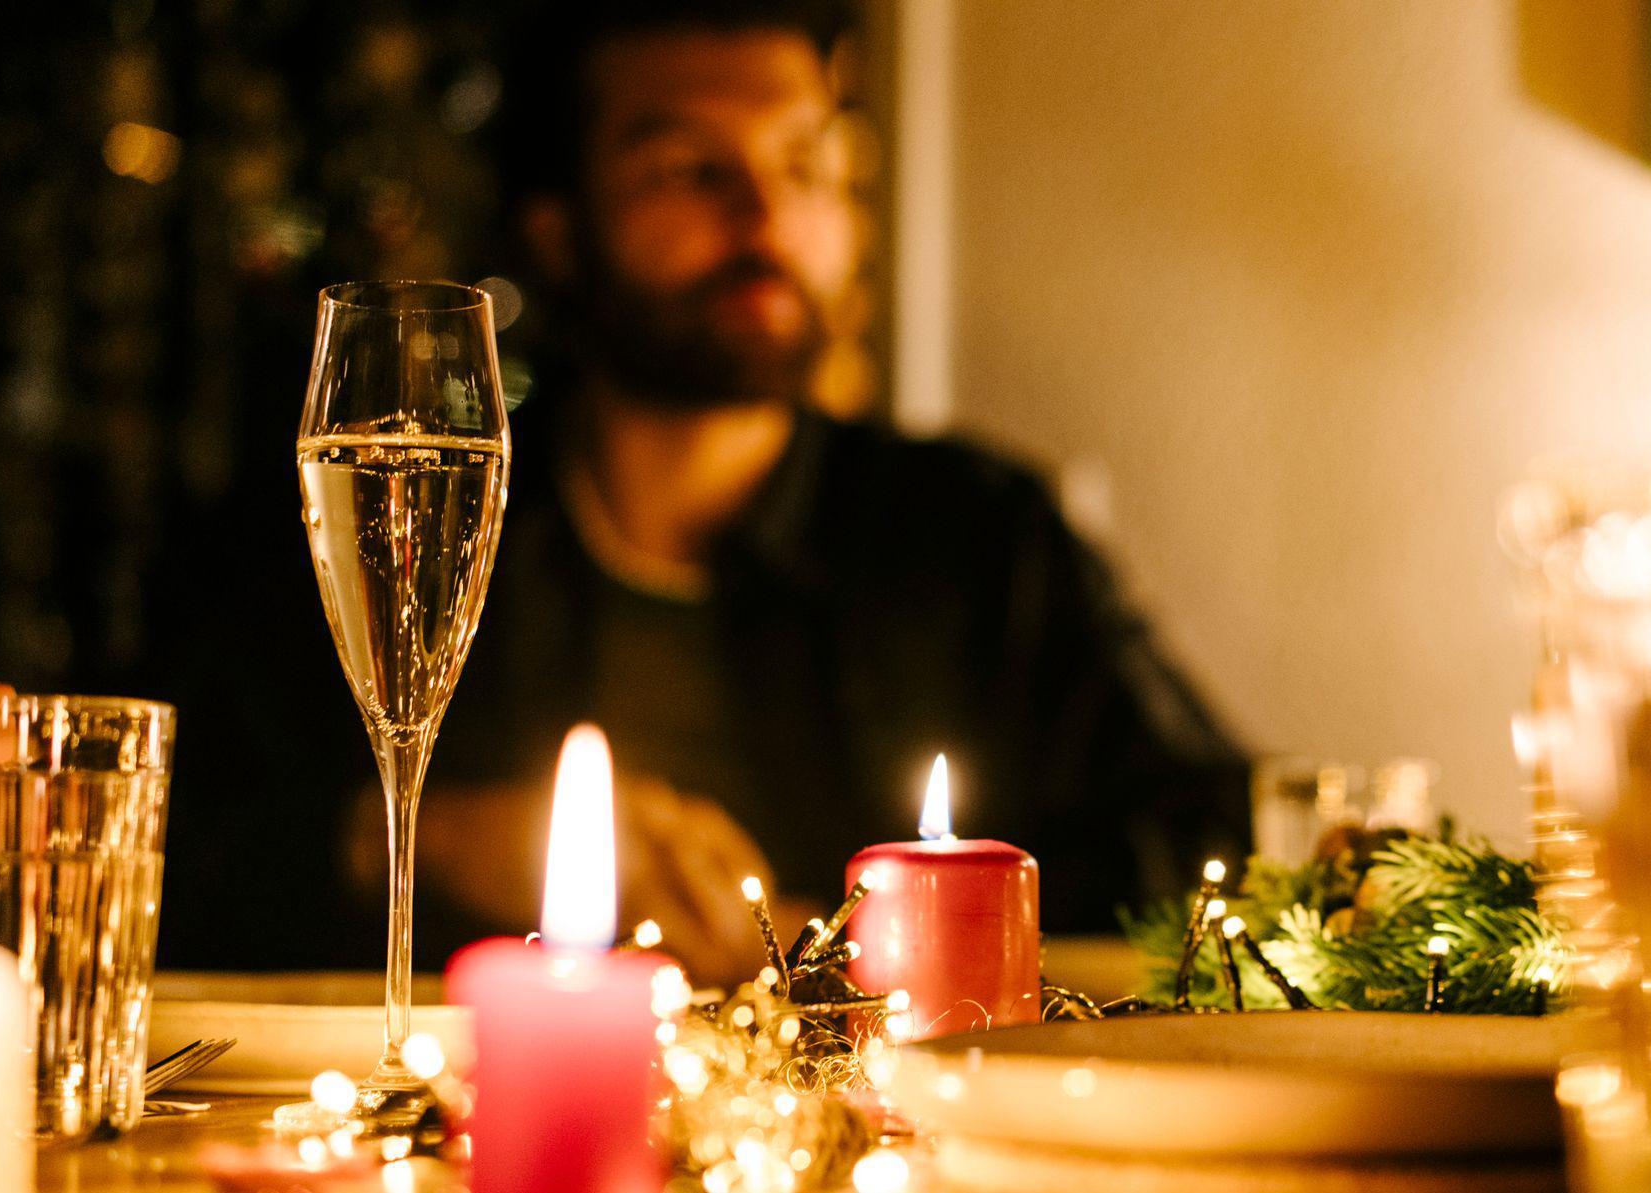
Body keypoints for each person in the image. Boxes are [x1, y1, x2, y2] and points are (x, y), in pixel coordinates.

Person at [397, 0, 1251, 985]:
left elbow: (1209, 837)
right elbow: (222, 834)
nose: (764, 216)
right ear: (555, 230)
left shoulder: (977, 530)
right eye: (688, 170)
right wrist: (447, 836)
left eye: (805, 165)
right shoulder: (431, 524)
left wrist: (860, 936)